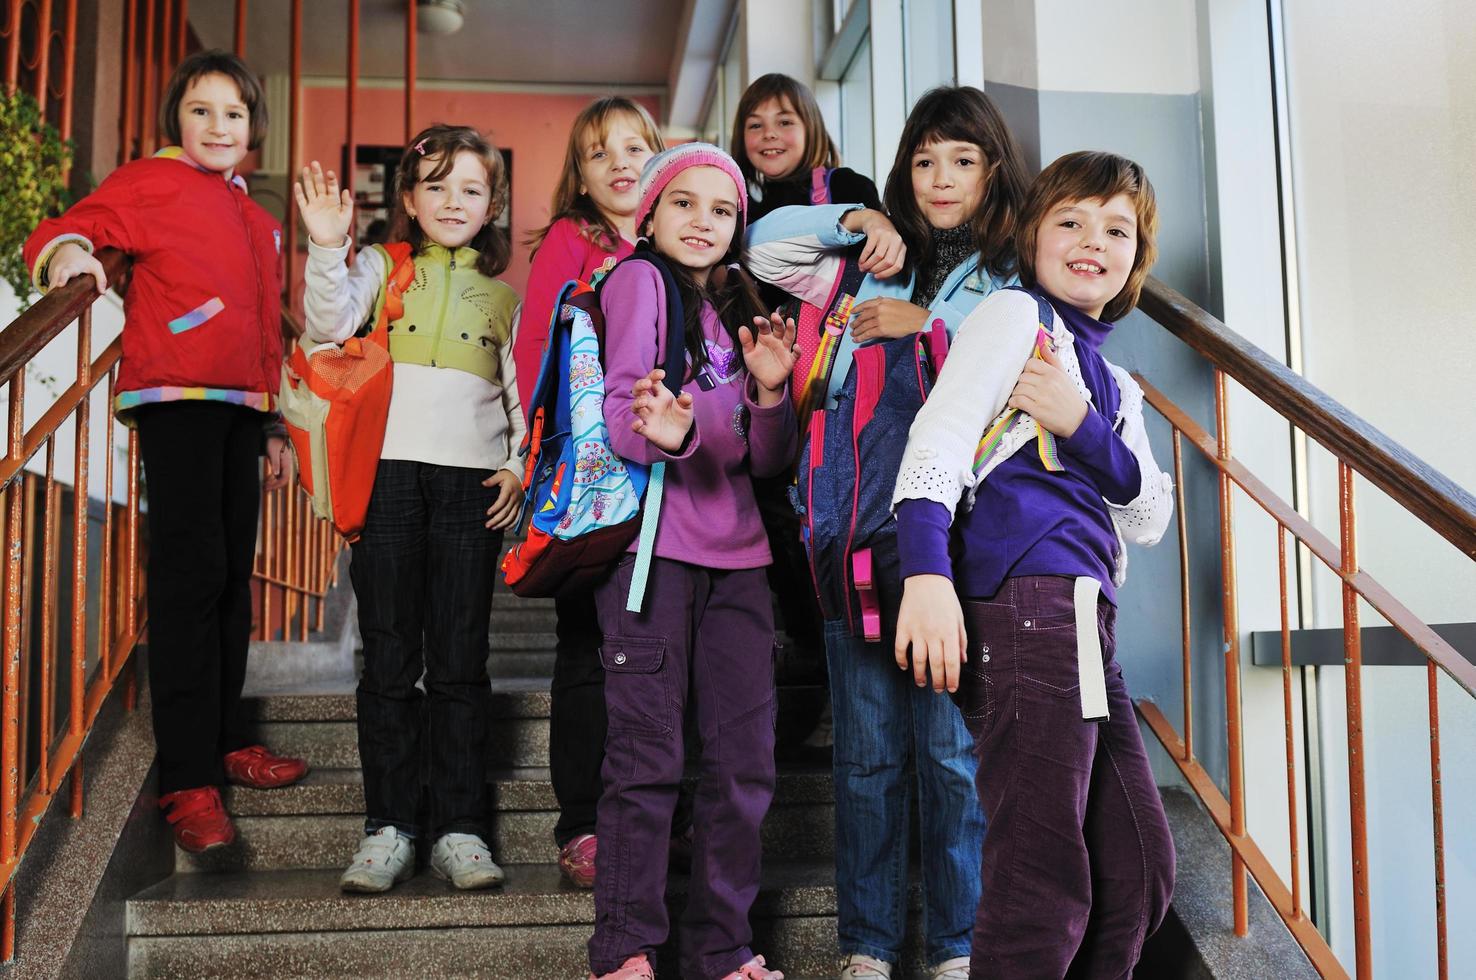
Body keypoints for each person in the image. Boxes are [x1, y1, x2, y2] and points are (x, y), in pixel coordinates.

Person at [744, 86, 1031, 980]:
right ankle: (866, 947)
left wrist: (928, 325)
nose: (942, 179)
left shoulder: (1012, 277)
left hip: (954, 552)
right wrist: (860, 216)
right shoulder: (870, 262)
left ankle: (954, 948)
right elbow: (762, 244)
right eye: (925, 160)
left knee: (950, 759)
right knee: (866, 757)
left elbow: (1017, 374)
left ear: (993, 172)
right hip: (851, 539)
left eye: (964, 160)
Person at [892, 150, 1177, 978]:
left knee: (1139, 875)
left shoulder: (1115, 384)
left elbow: (1151, 513)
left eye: (1115, 228)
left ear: (1135, 257)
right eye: (1071, 221)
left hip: (1086, 619)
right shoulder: (1017, 316)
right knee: (1040, 878)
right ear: (1032, 234)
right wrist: (926, 575)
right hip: (1029, 605)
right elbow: (938, 441)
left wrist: (1082, 425)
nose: (1094, 240)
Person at [24, 49, 307, 854]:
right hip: (175, 399)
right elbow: (75, 226)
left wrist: (278, 426)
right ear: (176, 122)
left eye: (234, 113)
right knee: (190, 581)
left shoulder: (258, 217)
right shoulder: (151, 182)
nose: (218, 126)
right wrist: (72, 254)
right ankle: (187, 778)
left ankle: (226, 742)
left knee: (231, 584)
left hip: (244, 410)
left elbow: (264, 334)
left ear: (254, 129)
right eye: (201, 110)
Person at [295, 124, 524, 894]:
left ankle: (460, 828)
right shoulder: (377, 268)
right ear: (408, 200)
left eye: (470, 188)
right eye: (436, 186)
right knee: (390, 657)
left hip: (470, 488)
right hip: (385, 479)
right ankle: (389, 827)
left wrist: (519, 466)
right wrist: (329, 247)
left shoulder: (506, 299)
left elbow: (522, 399)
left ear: (493, 204)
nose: (453, 200)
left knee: (459, 660)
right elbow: (328, 325)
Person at [587, 143, 796, 980]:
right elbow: (619, 407)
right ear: (652, 214)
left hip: (741, 561)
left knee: (743, 764)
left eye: (721, 209)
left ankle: (722, 950)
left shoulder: (737, 308)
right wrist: (661, 432)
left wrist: (771, 394)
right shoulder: (639, 281)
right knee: (648, 760)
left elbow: (768, 460)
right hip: (652, 556)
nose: (703, 222)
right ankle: (625, 950)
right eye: (685, 204)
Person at [515, 97, 677, 889]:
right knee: (585, 649)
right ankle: (582, 822)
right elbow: (535, 354)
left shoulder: (677, 233)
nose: (619, 163)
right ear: (578, 175)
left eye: (635, 147)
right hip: (590, 487)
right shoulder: (570, 243)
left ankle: (652, 814)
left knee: (656, 651)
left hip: (675, 481)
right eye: (598, 153)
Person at [729, 73, 902, 754]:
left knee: (828, 529)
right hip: (758, 382)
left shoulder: (851, 190)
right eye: (755, 125)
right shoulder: (733, 201)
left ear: (812, 129)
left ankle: (832, 682)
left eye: (785, 121)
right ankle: (806, 666)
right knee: (774, 522)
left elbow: (877, 273)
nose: (770, 136)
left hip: (835, 389)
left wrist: (863, 218)